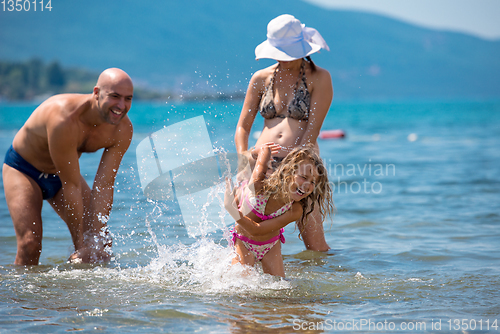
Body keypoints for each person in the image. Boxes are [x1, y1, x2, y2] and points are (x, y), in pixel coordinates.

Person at [2, 68, 134, 265]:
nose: (121, 106)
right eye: (115, 97)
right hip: (24, 169)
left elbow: (104, 185)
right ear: (97, 93)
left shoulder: (122, 129)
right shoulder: (64, 119)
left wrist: (92, 243)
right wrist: (80, 246)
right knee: (31, 243)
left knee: (100, 244)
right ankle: (21, 295)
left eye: (128, 99)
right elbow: (71, 185)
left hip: (61, 173)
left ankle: (74, 294)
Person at [235, 14, 334, 251]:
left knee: (316, 246)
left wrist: (289, 168)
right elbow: (242, 127)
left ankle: (317, 285)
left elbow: (312, 132)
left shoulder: (319, 78)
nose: (284, 59)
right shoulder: (261, 78)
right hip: (259, 163)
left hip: (301, 167)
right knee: (248, 236)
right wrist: (244, 156)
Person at [225, 144, 334, 277]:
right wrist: (259, 151)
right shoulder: (259, 185)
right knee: (242, 290)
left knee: (279, 291)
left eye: (313, 182)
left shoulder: (295, 209)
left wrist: (232, 211)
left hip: (270, 247)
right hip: (244, 242)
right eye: (304, 177)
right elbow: (262, 151)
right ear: (288, 171)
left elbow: (257, 229)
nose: (307, 185)